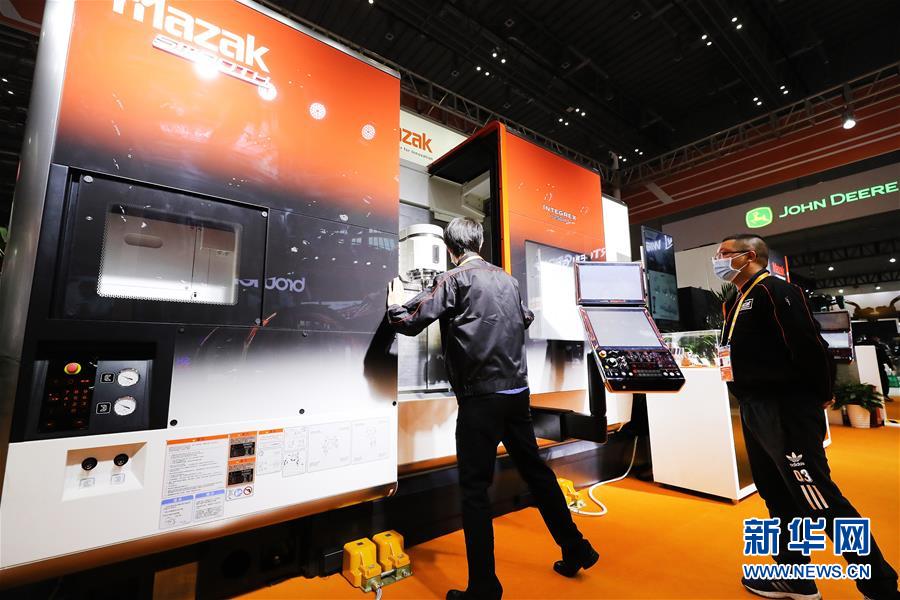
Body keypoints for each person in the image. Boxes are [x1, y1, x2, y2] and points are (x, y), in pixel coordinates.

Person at [386, 218, 597, 600]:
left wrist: (394, 306)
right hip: (516, 393)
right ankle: (576, 547)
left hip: (480, 399)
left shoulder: (452, 280)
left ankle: (484, 587)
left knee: (474, 491)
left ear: (450, 248)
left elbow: (412, 322)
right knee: (537, 474)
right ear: (479, 243)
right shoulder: (508, 281)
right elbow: (525, 317)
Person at [713, 234, 899, 600]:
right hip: (755, 408)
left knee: (819, 498)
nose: (718, 259)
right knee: (777, 495)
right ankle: (794, 576)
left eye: (724, 253)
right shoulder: (737, 301)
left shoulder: (776, 291)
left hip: (786, 408)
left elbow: (811, 346)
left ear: (749, 256)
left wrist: (821, 392)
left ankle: (879, 585)